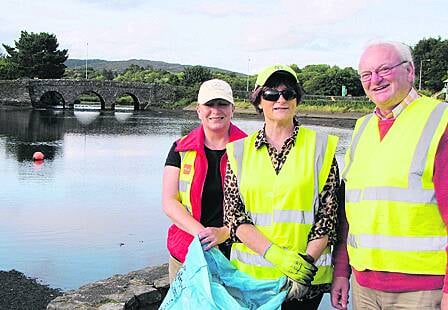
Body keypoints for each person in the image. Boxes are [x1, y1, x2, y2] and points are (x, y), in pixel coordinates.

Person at [331, 41, 448, 310]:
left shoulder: (440, 120)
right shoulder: (362, 129)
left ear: (409, 71)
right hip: (364, 287)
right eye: (366, 74)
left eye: (384, 69)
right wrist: (341, 271)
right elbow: (352, 212)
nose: (375, 80)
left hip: (423, 290)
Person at [224, 64, 340, 309]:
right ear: (258, 101)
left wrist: (304, 263)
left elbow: (328, 217)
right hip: (252, 281)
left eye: (289, 93)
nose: (281, 99)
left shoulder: (322, 148)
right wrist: (275, 255)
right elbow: (234, 216)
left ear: (297, 99)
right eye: (271, 94)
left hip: (305, 281)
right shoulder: (238, 151)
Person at [162, 79, 246, 282]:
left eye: (222, 104)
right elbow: (169, 201)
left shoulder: (250, 149)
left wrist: (224, 233)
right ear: (198, 110)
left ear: (232, 109)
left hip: (237, 256)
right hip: (187, 254)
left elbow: (260, 206)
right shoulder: (180, 148)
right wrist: (202, 234)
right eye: (209, 104)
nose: (215, 110)